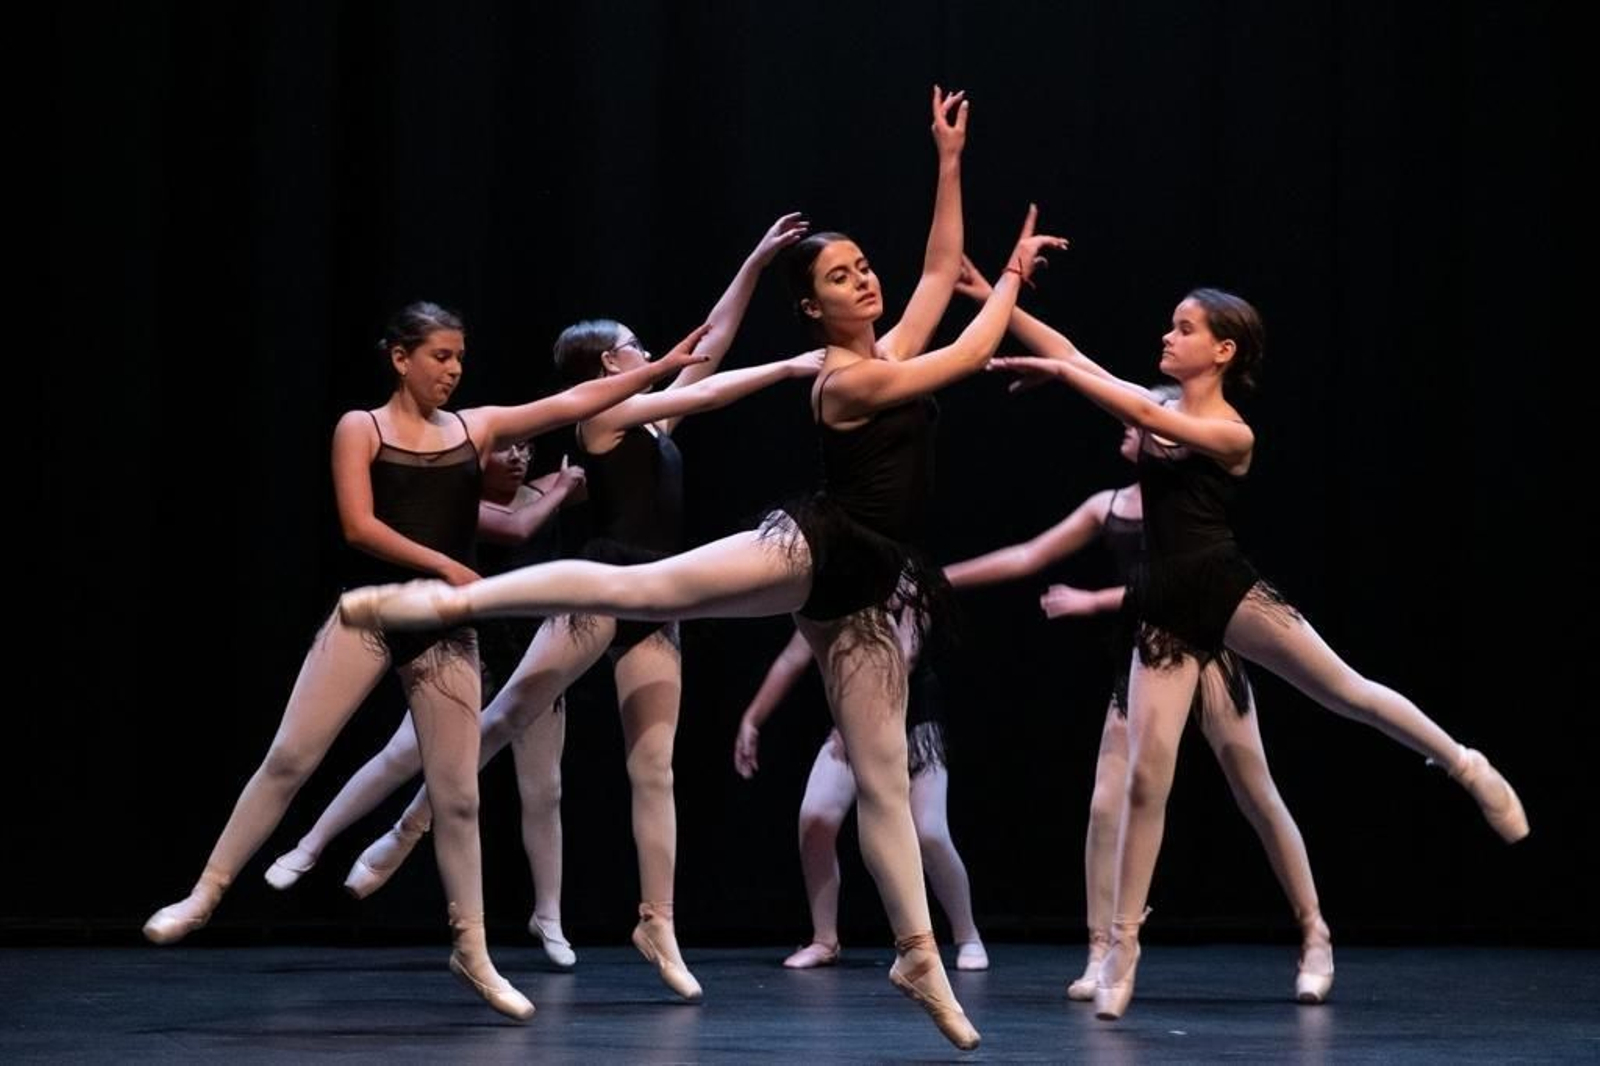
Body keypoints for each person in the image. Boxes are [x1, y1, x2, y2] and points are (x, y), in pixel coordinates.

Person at [337, 87, 1069, 1051]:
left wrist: (947, 161)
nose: (865, 281)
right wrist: (1012, 278)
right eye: (842, 277)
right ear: (812, 308)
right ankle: (447, 593)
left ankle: (918, 956)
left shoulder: (884, 341)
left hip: (870, 586)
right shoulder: (850, 376)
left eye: (862, 268)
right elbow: (974, 342)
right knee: (639, 587)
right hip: (814, 545)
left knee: (883, 783)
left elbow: (939, 268)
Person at [265, 214, 817, 1001]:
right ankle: (402, 832)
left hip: (657, 602)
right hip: (596, 588)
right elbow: (695, 363)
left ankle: (656, 921)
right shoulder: (600, 417)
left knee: (653, 769)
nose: (646, 352)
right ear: (606, 363)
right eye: (631, 346)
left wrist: (758, 262)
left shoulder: (657, 420)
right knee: (509, 711)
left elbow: (712, 349)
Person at [142, 301, 703, 1022]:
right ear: (400, 357)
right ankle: (206, 893)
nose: (453, 370)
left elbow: (568, 400)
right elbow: (360, 525)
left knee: (458, 796)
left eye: (460, 358)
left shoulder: (475, 428)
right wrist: (448, 567)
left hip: (448, 631)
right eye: (440, 356)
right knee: (291, 758)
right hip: (373, 615)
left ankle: (471, 948)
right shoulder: (362, 427)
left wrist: (656, 371)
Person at [988, 287, 1527, 1021]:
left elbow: (1128, 406)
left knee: (1347, 692)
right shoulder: (1162, 407)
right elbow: (1078, 358)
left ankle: (1463, 764)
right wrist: (1001, 294)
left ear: (1223, 350)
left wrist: (1061, 379)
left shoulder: (1232, 432)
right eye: (1172, 325)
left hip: (1225, 589)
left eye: (1185, 329)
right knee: (1147, 779)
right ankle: (1121, 949)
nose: (1168, 336)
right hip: (1163, 609)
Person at [943, 365, 1332, 1003]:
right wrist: (939, 579)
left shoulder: (1185, 495)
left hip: (1204, 649)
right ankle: (1103, 950)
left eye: (1140, 419)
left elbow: (1187, 579)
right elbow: (1027, 555)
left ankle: (1315, 932)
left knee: (1256, 794)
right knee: (1105, 802)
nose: (1129, 426)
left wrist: (1093, 601)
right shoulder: (1110, 505)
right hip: (1145, 659)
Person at [732, 607, 987, 973]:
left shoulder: (908, 586)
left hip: (912, 719)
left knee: (929, 832)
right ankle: (824, 940)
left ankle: (968, 935)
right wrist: (752, 718)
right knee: (816, 817)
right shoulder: (832, 593)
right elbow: (793, 656)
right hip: (853, 724)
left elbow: (905, 656)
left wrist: (860, 718)